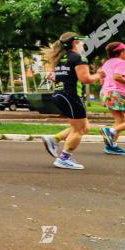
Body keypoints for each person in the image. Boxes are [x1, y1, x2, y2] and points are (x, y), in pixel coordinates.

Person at [40, 32, 103, 170]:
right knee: (80, 129)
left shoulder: (60, 58)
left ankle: (54, 139)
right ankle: (64, 158)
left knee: (84, 126)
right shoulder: (79, 58)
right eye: (81, 42)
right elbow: (85, 79)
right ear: (75, 42)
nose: (83, 44)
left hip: (59, 94)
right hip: (71, 95)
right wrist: (99, 75)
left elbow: (53, 77)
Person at [98, 42, 125, 155]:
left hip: (106, 93)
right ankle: (110, 131)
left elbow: (102, 80)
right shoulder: (122, 63)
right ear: (120, 52)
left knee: (121, 120)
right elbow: (117, 76)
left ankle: (111, 146)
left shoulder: (106, 63)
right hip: (118, 94)